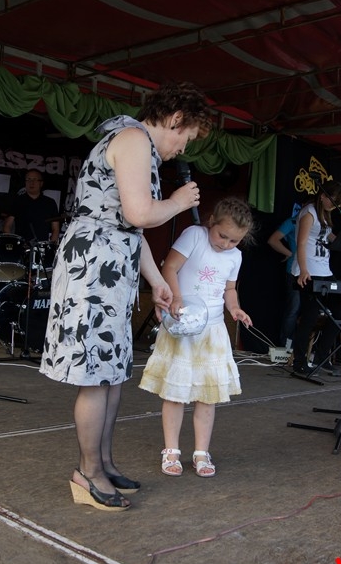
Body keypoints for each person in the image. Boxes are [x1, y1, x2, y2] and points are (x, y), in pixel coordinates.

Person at [39, 81, 212, 510]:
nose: (182, 149)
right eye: (186, 138)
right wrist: (177, 202)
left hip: (110, 265)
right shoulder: (133, 138)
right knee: (96, 375)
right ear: (176, 120)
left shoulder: (140, 145)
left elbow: (130, 230)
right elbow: (140, 213)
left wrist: (157, 281)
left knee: (112, 373)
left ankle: (103, 463)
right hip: (92, 267)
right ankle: (87, 474)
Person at [139, 197, 254, 478]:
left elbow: (229, 289)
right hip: (182, 324)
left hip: (212, 330)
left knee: (207, 395)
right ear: (211, 222)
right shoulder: (194, 235)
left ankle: (201, 452)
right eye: (222, 235)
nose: (226, 244)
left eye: (234, 241)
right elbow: (170, 267)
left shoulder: (235, 257)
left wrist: (235, 308)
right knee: (175, 392)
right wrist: (176, 297)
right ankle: (171, 450)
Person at [291, 180, 341, 377]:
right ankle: (299, 362)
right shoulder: (309, 212)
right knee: (309, 316)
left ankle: (321, 355)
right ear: (323, 196)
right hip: (308, 269)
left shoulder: (325, 213)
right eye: (333, 201)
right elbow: (301, 243)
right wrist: (303, 270)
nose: (334, 205)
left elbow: (328, 236)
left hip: (324, 270)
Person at [267, 213, 300, 348]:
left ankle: (302, 347)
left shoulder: (321, 222)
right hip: (294, 271)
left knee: (309, 310)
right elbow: (273, 240)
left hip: (314, 271)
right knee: (293, 309)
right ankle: (287, 347)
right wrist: (290, 254)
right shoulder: (293, 222)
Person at [3, 169, 60, 242]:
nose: (31, 182)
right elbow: (7, 226)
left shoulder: (50, 203)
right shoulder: (17, 201)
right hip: (21, 245)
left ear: (41, 183)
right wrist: (12, 243)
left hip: (41, 246)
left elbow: (55, 229)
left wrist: (50, 246)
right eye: (28, 179)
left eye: (35, 180)